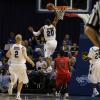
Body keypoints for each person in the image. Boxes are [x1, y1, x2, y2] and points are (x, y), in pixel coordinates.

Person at [6, 34, 35, 100]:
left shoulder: (12, 46)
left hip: (13, 65)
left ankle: (12, 84)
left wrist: (13, 57)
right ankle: (18, 96)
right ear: (21, 40)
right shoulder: (23, 48)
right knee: (21, 81)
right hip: (21, 65)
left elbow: (7, 55)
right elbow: (25, 57)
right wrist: (32, 62)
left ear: (15, 40)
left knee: (14, 78)